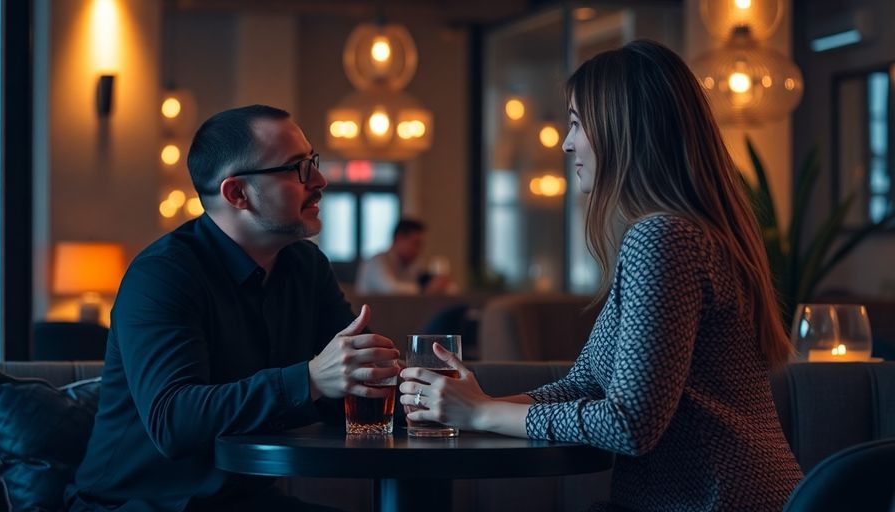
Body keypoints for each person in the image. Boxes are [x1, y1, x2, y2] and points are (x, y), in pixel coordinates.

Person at [398, 40, 803, 511]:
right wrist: (476, 404)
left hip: (712, 501)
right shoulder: (686, 234)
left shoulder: (663, 239)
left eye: (575, 122)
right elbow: (584, 385)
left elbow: (629, 424)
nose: (567, 142)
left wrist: (484, 412)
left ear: (622, 129)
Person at [66, 105, 400, 511]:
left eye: (313, 161)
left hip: (245, 499)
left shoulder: (306, 266)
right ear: (237, 194)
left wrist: (440, 398)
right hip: (138, 504)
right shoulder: (162, 275)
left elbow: (351, 384)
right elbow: (173, 421)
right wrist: (310, 379)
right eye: (297, 168)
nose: (321, 180)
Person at [354, 218, 451, 294]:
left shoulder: (413, 265)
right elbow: (390, 289)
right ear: (399, 238)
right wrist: (426, 289)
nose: (419, 251)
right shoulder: (376, 262)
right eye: (416, 244)